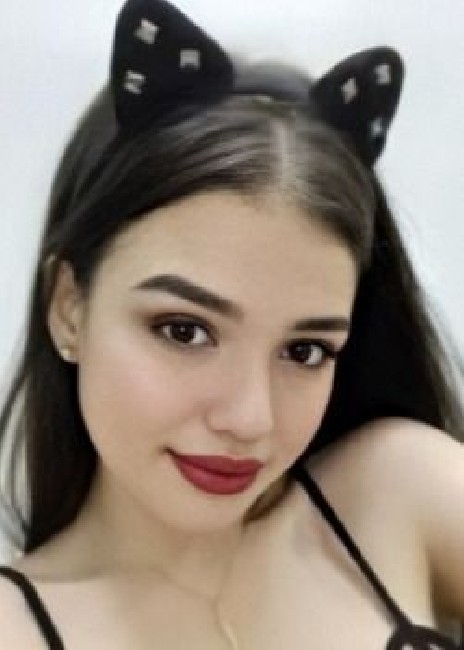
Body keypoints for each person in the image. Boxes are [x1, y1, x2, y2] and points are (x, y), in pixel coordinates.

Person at [0, 0, 463, 647]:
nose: (250, 419)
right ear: (68, 307)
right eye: (184, 330)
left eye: (305, 350)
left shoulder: (395, 492)